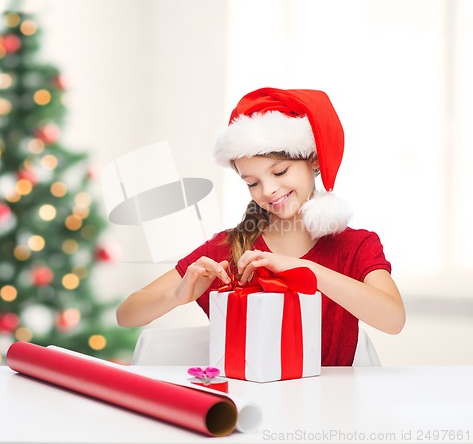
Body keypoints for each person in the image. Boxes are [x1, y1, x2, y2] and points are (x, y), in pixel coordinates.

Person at [116, 88, 405, 366]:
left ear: (313, 161)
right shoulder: (230, 249)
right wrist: (177, 295)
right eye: (252, 183)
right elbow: (126, 314)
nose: (267, 190)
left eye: (279, 172)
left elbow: (393, 319)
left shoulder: (355, 246)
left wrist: (304, 271)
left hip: (332, 407)